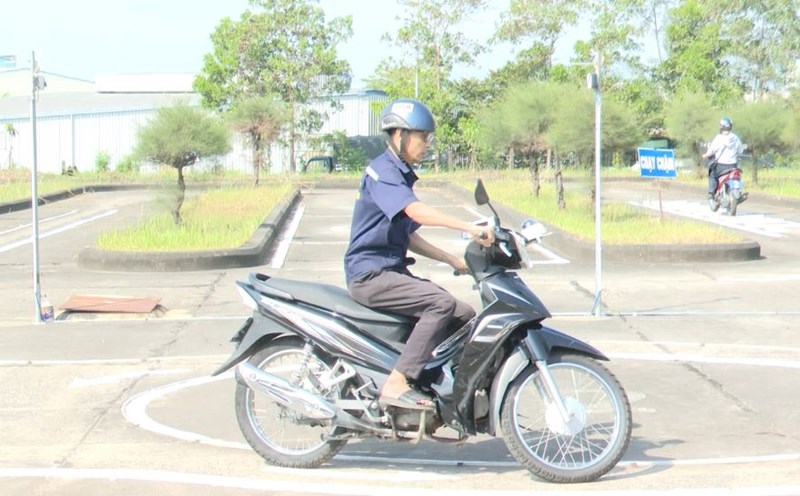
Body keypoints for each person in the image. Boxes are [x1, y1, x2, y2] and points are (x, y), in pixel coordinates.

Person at [343, 98, 495, 410]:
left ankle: (436, 385)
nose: (427, 144)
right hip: (370, 274)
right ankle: (397, 383)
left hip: (390, 273)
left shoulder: (398, 174)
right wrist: (469, 227)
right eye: (422, 137)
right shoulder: (382, 172)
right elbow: (416, 211)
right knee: (439, 303)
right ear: (399, 135)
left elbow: (409, 234)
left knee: (462, 314)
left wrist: (452, 259)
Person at [702, 117, 744, 208]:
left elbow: (711, 151)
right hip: (733, 165)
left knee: (712, 175)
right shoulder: (735, 138)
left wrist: (705, 155)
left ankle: (711, 195)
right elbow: (740, 150)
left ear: (721, 127)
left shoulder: (718, 138)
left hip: (721, 166)